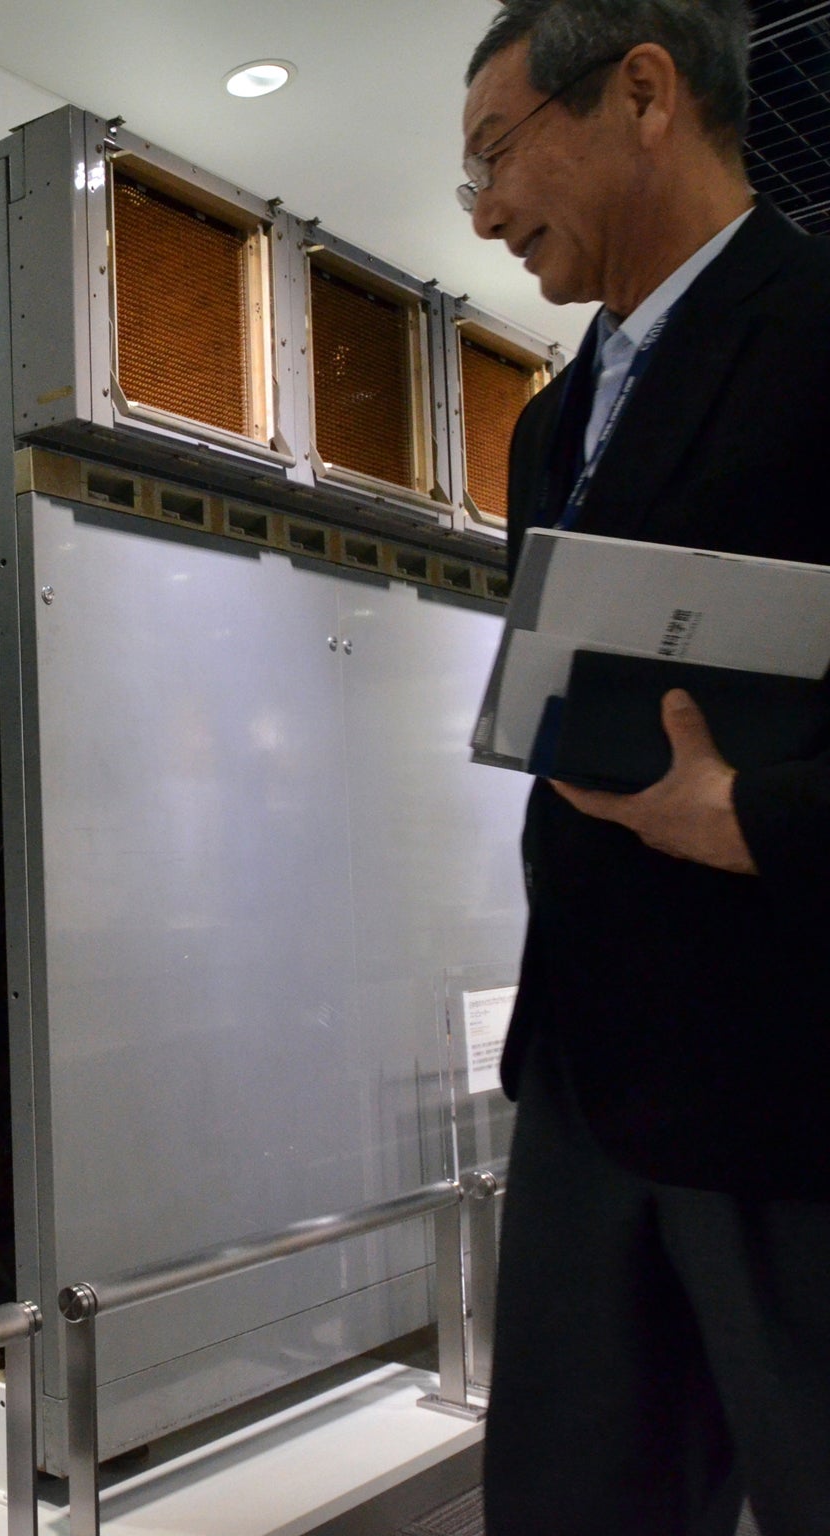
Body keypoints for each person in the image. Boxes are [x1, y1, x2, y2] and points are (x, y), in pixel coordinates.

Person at [459, 2, 830, 1532]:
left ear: (644, 91)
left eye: (496, 153)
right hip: (583, 1082)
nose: (483, 212)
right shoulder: (548, 429)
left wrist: (755, 818)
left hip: (792, 1086)